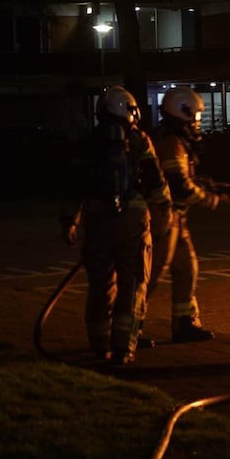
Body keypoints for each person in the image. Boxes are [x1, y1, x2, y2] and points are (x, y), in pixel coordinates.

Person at [60, 86, 171, 365]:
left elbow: (74, 186)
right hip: (132, 221)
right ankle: (124, 347)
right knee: (132, 284)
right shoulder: (139, 141)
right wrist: (165, 210)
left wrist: (69, 221)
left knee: (100, 285)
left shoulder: (87, 143)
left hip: (96, 220)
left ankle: (100, 345)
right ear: (127, 110)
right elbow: (156, 181)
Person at [147, 87, 226, 343]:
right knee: (150, 276)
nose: (198, 123)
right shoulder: (171, 143)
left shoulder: (177, 142)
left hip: (175, 219)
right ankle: (129, 328)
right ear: (182, 112)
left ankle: (185, 323)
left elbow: (184, 178)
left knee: (186, 269)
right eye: (196, 116)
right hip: (163, 219)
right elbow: (178, 185)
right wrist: (207, 198)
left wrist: (206, 183)